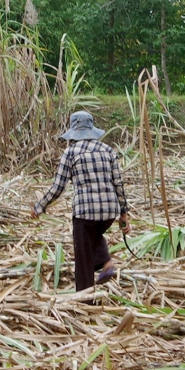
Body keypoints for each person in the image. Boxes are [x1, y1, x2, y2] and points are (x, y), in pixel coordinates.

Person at [32, 111, 131, 291]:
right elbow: (119, 184)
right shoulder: (108, 150)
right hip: (109, 212)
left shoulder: (70, 153)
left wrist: (40, 206)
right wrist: (123, 214)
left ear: (74, 132)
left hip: (84, 214)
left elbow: (58, 187)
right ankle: (105, 263)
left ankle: (86, 297)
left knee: (83, 257)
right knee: (94, 236)